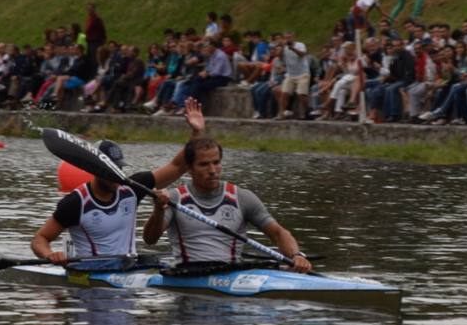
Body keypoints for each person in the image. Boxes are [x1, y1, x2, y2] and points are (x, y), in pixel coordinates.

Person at [30, 99, 206, 267]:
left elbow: (178, 166)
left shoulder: (132, 188)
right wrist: (50, 254)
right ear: (95, 170)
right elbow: (39, 239)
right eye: (111, 170)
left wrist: (197, 132)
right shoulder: (76, 202)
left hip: (129, 268)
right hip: (92, 274)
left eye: (119, 168)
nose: (117, 175)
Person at [142, 136, 312, 273]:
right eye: (204, 164)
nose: (212, 170)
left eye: (216, 162)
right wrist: (158, 210)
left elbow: (278, 233)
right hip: (187, 273)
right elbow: (150, 239)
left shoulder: (242, 197)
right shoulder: (174, 198)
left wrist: (296, 255)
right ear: (190, 169)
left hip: (231, 273)